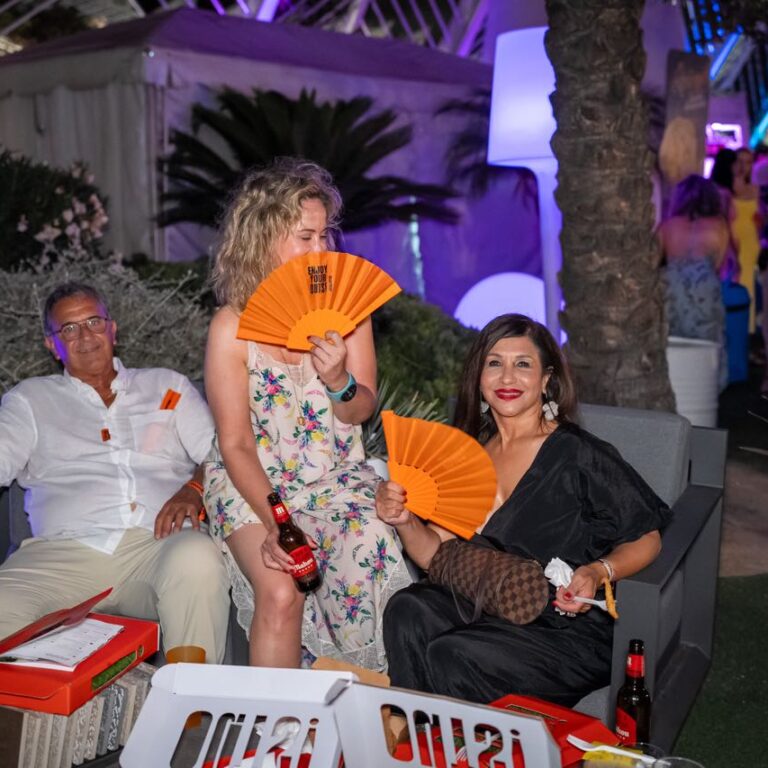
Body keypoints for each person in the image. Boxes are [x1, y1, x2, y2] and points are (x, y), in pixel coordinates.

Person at [377, 314, 671, 706]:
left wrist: (597, 571)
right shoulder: (466, 458)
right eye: (494, 363)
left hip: (563, 626)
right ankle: (416, 730)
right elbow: (434, 553)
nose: (507, 377)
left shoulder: (578, 454)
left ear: (546, 379)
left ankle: (458, 737)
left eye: (523, 364)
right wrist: (404, 520)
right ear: (479, 378)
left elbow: (647, 537)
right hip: (489, 602)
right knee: (407, 608)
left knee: (453, 654)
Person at [203, 158, 412, 671]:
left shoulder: (349, 311)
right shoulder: (231, 327)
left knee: (373, 544)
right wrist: (279, 523)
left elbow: (360, 411)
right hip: (252, 483)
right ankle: (274, 721)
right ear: (263, 239)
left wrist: (339, 379)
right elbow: (235, 444)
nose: (321, 250)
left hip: (332, 477)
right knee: (282, 590)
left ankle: (363, 701)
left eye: (325, 235)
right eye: (305, 237)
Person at [0, 282, 229, 662]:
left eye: (94, 321)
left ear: (113, 329)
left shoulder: (166, 386)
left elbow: (221, 452)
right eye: (69, 329)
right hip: (62, 553)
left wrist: (194, 486)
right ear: (51, 344)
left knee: (198, 558)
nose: (85, 336)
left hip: (158, 545)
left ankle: (190, 696)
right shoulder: (29, 400)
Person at [657, 174, 731, 390]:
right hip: (704, 285)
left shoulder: (667, 226)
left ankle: (675, 389)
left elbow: (655, 261)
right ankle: (705, 390)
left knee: (672, 341)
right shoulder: (719, 226)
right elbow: (720, 265)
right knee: (708, 342)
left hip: (671, 286)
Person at [731, 147, 764, 335]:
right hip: (731, 239)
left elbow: (759, 218)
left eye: (748, 162)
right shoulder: (726, 187)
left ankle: (748, 329)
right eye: (740, 161)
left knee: (748, 280)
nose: (744, 166)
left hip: (750, 240)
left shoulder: (756, 189)